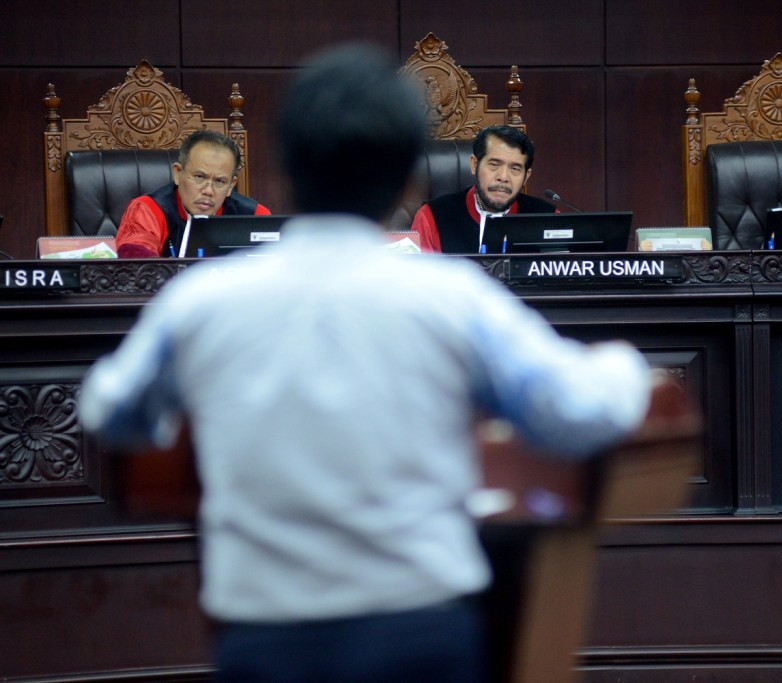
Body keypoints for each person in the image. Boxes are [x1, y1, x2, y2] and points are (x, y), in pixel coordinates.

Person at [78, 44, 652, 682]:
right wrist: (625, 364)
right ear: (409, 178)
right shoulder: (452, 298)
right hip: (422, 636)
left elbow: (107, 410)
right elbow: (578, 413)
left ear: (286, 168)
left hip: (264, 643)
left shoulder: (200, 302)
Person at [115, 130, 271, 258]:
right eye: (199, 177)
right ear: (177, 173)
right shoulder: (148, 210)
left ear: (231, 185)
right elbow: (136, 268)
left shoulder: (255, 216)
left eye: (220, 181)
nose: (208, 191)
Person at [410, 125, 556, 254]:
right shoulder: (432, 217)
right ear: (474, 165)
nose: (503, 177)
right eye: (494, 164)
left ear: (526, 176)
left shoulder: (548, 218)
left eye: (515, 168)